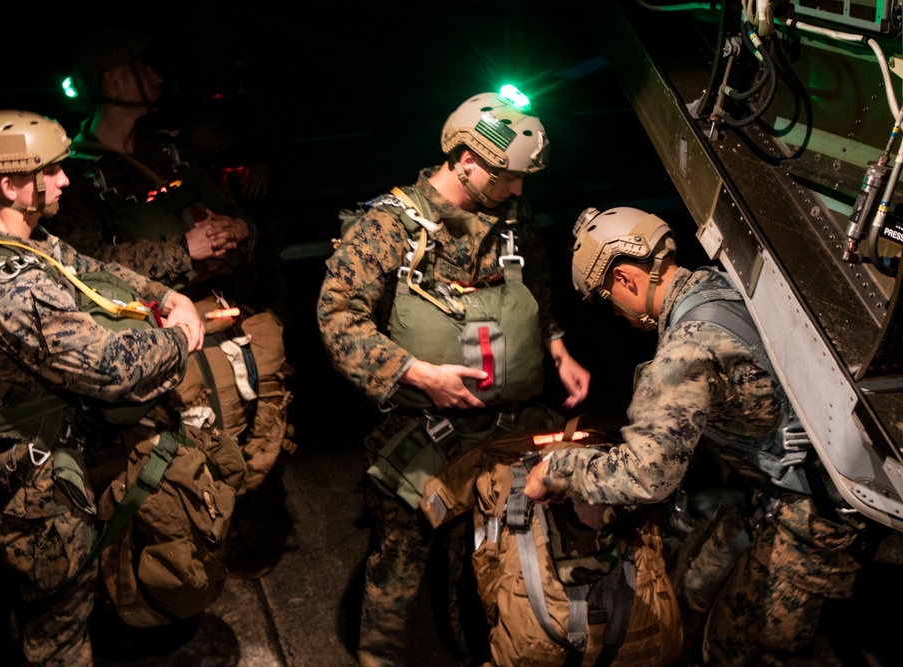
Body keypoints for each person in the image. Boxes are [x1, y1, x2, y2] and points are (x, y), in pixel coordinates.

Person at [523, 206, 869, 666]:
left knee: (734, 649)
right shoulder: (719, 285)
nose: (615, 309)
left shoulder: (686, 349)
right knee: (692, 587)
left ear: (627, 279)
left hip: (812, 515)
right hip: (773, 487)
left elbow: (647, 474)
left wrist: (558, 470)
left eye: (608, 296)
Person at [317, 87, 591, 666]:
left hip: (507, 424)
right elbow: (337, 317)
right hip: (422, 431)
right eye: (505, 176)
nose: (517, 190)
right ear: (465, 159)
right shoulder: (386, 227)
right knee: (400, 559)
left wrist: (558, 347)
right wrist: (416, 372)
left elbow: (535, 279)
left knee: (502, 552)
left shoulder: (509, 213)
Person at [0, 109, 205, 666]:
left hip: (39, 455)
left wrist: (164, 295)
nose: (64, 181)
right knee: (58, 631)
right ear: (10, 184)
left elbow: (86, 267)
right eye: (50, 171)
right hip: (37, 487)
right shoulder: (10, 289)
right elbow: (114, 368)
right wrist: (178, 340)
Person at [47, 26, 296, 518]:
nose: (158, 78)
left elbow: (234, 216)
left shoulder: (171, 152)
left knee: (260, 441)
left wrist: (236, 231)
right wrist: (183, 250)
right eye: (144, 70)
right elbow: (85, 268)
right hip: (157, 342)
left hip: (227, 326)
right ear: (114, 81)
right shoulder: (73, 175)